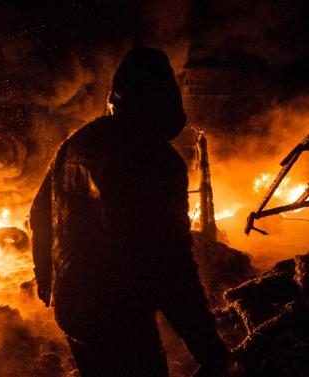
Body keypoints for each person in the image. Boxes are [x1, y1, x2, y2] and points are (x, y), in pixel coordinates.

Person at [29, 47, 230, 377]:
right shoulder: (156, 159)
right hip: (119, 317)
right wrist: (207, 347)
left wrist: (46, 276)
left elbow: (39, 213)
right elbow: (170, 262)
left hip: (73, 308)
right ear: (165, 96)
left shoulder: (77, 142)